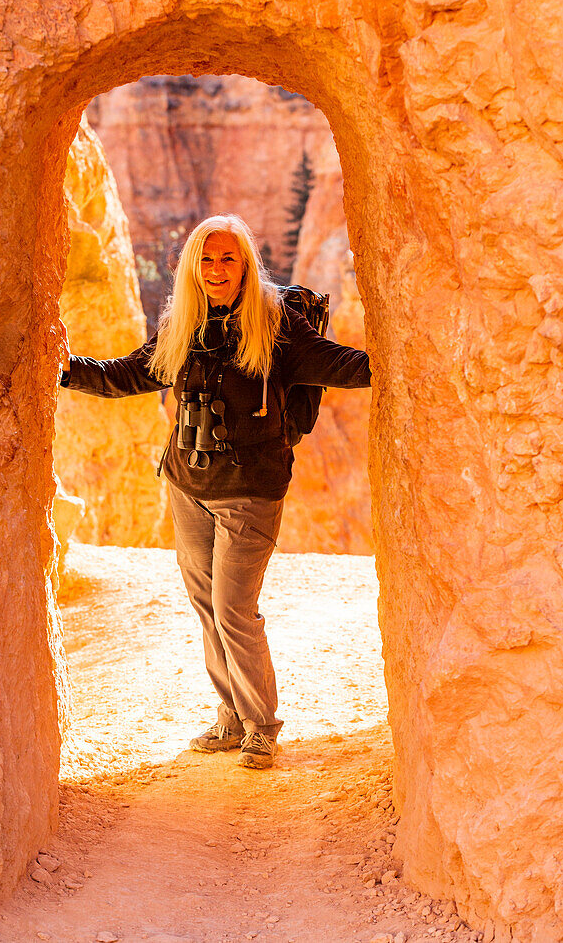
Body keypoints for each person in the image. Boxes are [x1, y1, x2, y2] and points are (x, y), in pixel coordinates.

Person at [58, 214, 371, 770]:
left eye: (228, 259)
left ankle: (260, 724)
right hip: (188, 484)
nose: (216, 270)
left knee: (233, 609)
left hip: (250, 491)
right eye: (205, 260)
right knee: (207, 607)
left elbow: (341, 366)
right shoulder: (186, 325)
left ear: (247, 266)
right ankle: (230, 717)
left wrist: (409, 354)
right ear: (191, 268)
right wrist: (60, 369)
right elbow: (129, 374)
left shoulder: (275, 329)